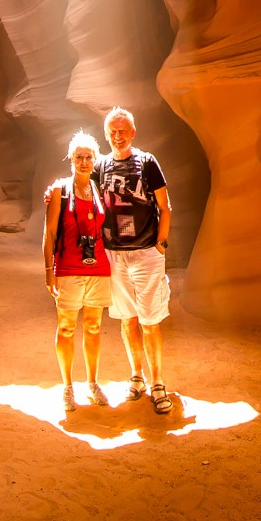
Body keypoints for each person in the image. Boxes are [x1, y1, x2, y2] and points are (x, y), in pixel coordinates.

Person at [96, 107, 175, 414]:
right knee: (128, 320)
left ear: (133, 132)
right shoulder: (100, 166)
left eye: (123, 131)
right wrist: (55, 192)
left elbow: (165, 206)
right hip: (115, 254)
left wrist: (160, 245)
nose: (118, 136)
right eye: (113, 132)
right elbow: (80, 191)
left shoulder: (147, 162)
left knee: (150, 321)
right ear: (107, 134)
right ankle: (136, 377)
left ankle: (157, 383)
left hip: (145, 252)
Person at [43, 131, 112, 413]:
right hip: (69, 267)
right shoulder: (60, 190)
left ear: (95, 160)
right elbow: (48, 233)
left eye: (88, 157)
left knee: (94, 327)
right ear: (71, 159)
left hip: (98, 268)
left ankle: (92, 383)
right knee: (67, 327)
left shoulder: (98, 190)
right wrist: (49, 271)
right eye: (79, 157)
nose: (84, 162)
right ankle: (67, 387)